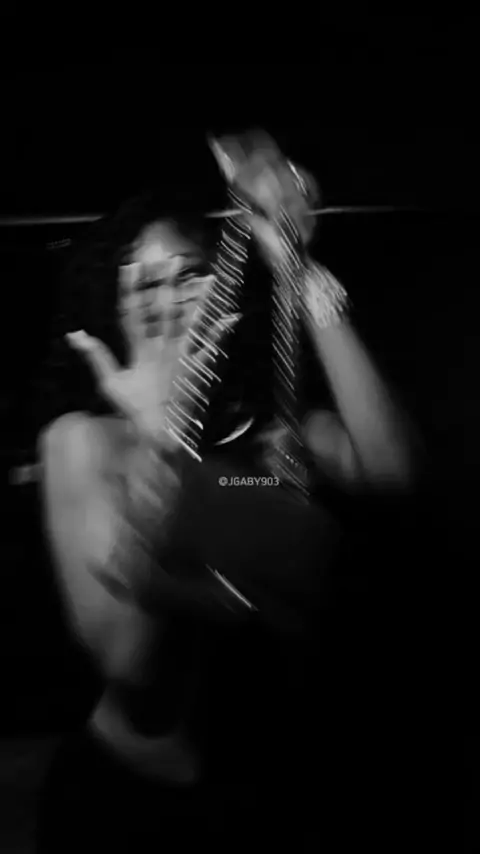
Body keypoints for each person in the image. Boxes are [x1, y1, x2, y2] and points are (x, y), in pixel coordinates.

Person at [37, 131, 419, 793]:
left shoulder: (270, 437)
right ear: (117, 304)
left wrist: (301, 272)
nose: (165, 300)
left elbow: (394, 474)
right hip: (131, 794)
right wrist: (165, 438)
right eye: (143, 282)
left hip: (266, 779)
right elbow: (133, 671)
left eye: (188, 275)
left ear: (224, 293)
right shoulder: (84, 443)